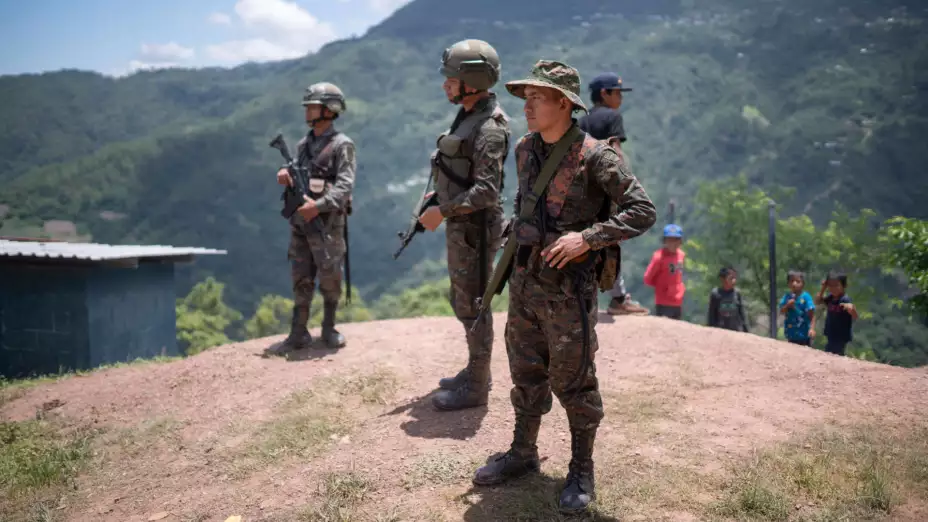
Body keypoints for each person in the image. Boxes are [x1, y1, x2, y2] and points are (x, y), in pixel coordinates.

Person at [471, 60, 657, 514]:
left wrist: (587, 238)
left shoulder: (597, 156)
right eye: (527, 98)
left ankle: (581, 468)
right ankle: (523, 452)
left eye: (537, 97)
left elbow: (642, 210)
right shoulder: (523, 150)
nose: (528, 106)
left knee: (574, 381)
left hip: (569, 292)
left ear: (564, 103)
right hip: (525, 281)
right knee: (525, 370)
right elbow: (525, 205)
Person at [417, 39, 511, 411]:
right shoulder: (470, 113)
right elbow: (462, 171)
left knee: (474, 304)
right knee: (463, 301)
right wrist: (438, 199)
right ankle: (476, 370)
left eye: (451, 78)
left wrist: (444, 212)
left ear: (471, 79)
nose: (445, 85)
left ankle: (476, 387)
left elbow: (487, 190)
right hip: (463, 227)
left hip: (476, 231)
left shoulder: (489, 126)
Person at [270, 82, 356, 354]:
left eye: (312, 106)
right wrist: (285, 173)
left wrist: (318, 206)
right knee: (300, 275)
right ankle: (298, 332)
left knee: (330, 277)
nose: (307, 111)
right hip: (301, 223)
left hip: (327, 224)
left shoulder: (342, 145)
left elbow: (345, 186)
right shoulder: (302, 145)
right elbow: (297, 173)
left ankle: (329, 328)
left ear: (329, 109)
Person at [578, 72, 648, 316]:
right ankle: (618, 298)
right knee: (610, 238)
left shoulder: (582, 120)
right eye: (617, 92)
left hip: (583, 188)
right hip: (606, 187)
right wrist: (625, 187)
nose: (620, 97)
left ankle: (580, 294)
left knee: (583, 236)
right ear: (604, 94)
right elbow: (615, 153)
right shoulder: (612, 117)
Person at [643, 224, 686, 319]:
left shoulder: (681, 255)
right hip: (663, 302)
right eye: (670, 240)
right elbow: (647, 279)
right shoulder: (658, 257)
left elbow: (678, 275)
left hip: (678, 301)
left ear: (680, 241)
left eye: (676, 240)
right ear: (665, 241)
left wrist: (680, 288)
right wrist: (663, 286)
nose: (673, 243)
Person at [815, 271, 858, 355]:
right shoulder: (831, 298)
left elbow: (855, 315)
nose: (833, 288)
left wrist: (852, 309)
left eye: (836, 285)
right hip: (831, 333)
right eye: (830, 286)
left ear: (844, 286)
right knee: (829, 353)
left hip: (840, 336)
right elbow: (817, 301)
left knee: (835, 354)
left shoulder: (845, 299)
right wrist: (823, 288)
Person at [779, 270, 816, 346]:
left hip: (804, 334)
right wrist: (787, 305)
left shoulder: (806, 297)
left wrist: (812, 329)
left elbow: (812, 314)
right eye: (791, 281)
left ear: (803, 284)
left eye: (798, 281)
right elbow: (782, 311)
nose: (794, 284)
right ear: (788, 283)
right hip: (791, 333)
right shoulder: (786, 297)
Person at [707, 266, 749, 332]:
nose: (734, 281)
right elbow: (711, 316)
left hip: (736, 332)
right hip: (720, 332)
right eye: (731, 278)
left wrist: (747, 332)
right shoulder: (715, 294)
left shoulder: (737, 293)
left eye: (735, 278)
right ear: (722, 279)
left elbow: (742, 315)